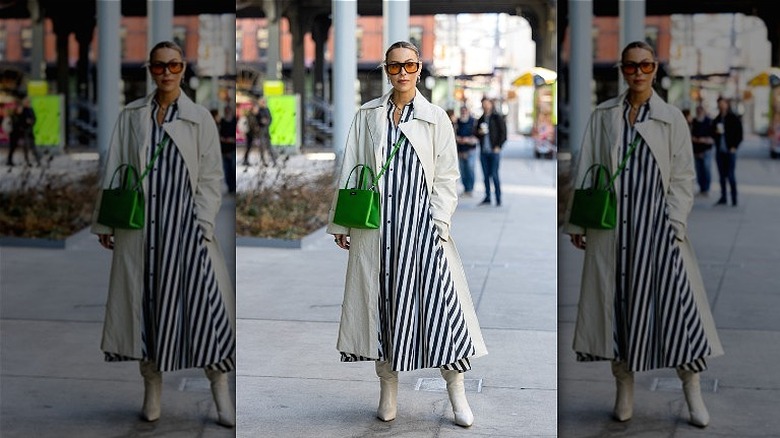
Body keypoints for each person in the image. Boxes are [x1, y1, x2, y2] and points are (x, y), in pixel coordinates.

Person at [326, 40, 488, 428]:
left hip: (424, 233)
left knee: (442, 313)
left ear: (420, 69)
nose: (402, 73)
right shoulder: (368, 115)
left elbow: (448, 178)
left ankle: (457, 395)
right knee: (383, 312)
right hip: (377, 232)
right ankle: (388, 393)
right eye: (395, 66)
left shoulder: (436, 118)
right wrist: (342, 223)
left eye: (410, 65)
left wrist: (439, 224)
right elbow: (351, 168)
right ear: (386, 70)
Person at [562, 41, 724, 428]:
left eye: (646, 65)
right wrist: (579, 224)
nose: (638, 72)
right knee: (619, 313)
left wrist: (675, 224)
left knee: (679, 313)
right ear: (622, 70)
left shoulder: (671, 119)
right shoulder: (605, 115)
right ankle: (624, 390)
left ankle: (692, 392)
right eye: (631, 66)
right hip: (613, 234)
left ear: (656, 69)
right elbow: (588, 169)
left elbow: (683, 178)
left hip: (661, 235)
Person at [90, 40, 236, 427]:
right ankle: (151, 388)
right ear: (150, 69)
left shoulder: (199, 117)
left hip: (187, 232)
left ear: (184, 68)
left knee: (206, 312)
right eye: (158, 66)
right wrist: (108, 222)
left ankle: (220, 388)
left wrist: (202, 223)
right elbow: (116, 169)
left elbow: (210, 176)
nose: (166, 73)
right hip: (140, 230)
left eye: (173, 66)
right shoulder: (132, 115)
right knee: (147, 311)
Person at [475, 97, 507, 206]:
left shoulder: (497, 117)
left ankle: (498, 198)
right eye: (483, 104)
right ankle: (487, 196)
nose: (485, 106)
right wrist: (479, 132)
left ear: (491, 104)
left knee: (494, 174)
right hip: (484, 151)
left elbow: (503, 133)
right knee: (485, 175)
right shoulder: (481, 119)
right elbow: (476, 133)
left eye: (487, 104)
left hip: (494, 151)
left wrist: (499, 146)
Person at [712, 96, 743, 206]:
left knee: (730, 175)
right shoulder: (717, 119)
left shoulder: (733, 118)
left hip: (730, 151)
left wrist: (735, 146)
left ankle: (734, 198)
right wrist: (715, 132)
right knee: (721, 176)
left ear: (727, 104)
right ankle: (723, 197)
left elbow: (740, 134)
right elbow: (712, 133)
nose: (721, 106)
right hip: (720, 151)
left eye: (723, 103)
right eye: (719, 104)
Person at [6, 95, 41, 167]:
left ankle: (37, 161)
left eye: (28, 102)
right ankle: (26, 161)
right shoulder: (20, 111)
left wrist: (31, 122)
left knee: (32, 147)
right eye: (26, 102)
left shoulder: (30, 110)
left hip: (28, 132)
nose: (28, 103)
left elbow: (34, 119)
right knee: (21, 147)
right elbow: (18, 121)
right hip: (20, 132)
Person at [242, 97, 275, 166]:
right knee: (258, 147)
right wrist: (258, 123)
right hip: (257, 131)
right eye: (262, 102)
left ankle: (273, 161)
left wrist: (266, 122)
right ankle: (262, 161)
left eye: (264, 102)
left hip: (265, 131)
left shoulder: (266, 110)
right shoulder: (256, 111)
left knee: (269, 146)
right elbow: (252, 120)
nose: (263, 103)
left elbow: (270, 119)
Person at [691, 105, 714, 196]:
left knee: (706, 169)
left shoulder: (709, 122)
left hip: (706, 149)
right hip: (697, 150)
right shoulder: (694, 121)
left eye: (701, 111)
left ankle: (706, 188)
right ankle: (702, 188)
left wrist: (705, 140)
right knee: (699, 170)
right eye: (698, 111)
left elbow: (713, 135)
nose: (699, 112)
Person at [455, 105, 478, 197]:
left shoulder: (473, 122)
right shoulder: (458, 122)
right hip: (460, 150)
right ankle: (465, 188)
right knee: (463, 171)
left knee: (470, 169)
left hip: (470, 150)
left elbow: (477, 135)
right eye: (462, 111)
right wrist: (458, 139)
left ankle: (470, 189)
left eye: (465, 111)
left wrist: (468, 140)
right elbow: (454, 134)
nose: (464, 113)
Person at [218, 104, 237, 193]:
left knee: (233, 169)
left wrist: (232, 139)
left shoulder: (234, 121)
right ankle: (230, 187)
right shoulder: (222, 121)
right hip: (224, 149)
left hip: (232, 149)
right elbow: (219, 134)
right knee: (227, 170)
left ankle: (233, 186)